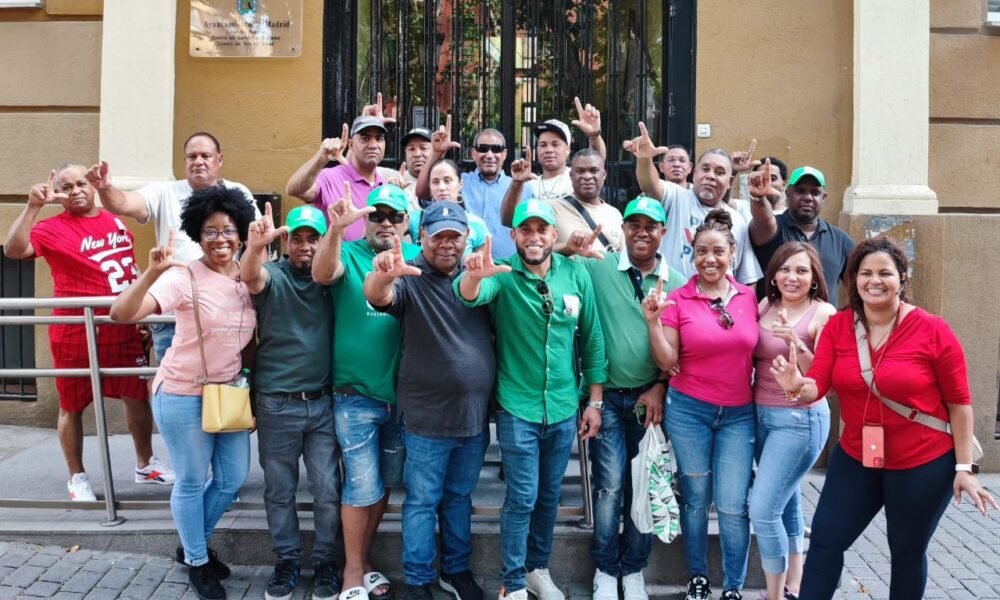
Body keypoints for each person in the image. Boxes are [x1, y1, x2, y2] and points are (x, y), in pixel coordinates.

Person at [769, 237, 997, 600]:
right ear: (854, 280)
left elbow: (959, 404)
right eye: (865, 273)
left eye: (884, 273)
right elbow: (818, 386)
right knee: (826, 541)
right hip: (858, 456)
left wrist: (963, 469)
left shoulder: (933, 330)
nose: (874, 281)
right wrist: (795, 385)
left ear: (902, 279)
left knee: (906, 553)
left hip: (922, 461)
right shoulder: (839, 326)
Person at [110, 185, 257, 600]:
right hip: (181, 393)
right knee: (192, 481)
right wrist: (152, 273)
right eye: (210, 231)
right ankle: (197, 560)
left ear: (241, 232)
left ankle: (191, 543)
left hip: (228, 395)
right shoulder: (183, 276)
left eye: (228, 230)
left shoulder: (249, 278)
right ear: (197, 233)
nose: (220, 239)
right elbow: (120, 314)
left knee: (231, 479)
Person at [455, 199, 605, 600]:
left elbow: (591, 338)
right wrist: (472, 277)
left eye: (542, 230)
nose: (534, 237)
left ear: (554, 236)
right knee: (522, 495)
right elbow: (469, 294)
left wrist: (595, 400)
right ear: (514, 235)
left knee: (550, 495)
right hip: (516, 405)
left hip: (562, 407)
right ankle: (513, 581)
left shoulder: (575, 273)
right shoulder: (503, 274)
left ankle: (538, 568)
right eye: (526, 230)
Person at [3, 165, 175, 501]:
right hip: (76, 328)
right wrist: (33, 206)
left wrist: (140, 311)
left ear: (92, 185)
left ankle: (145, 464)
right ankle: (77, 477)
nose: (76, 189)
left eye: (81, 182)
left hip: (121, 324)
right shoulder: (50, 228)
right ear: (58, 192)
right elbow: (13, 250)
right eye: (66, 186)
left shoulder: (114, 220)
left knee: (137, 394)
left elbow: (130, 268)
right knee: (72, 403)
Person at [363, 201, 495, 600]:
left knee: (459, 499)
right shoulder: (411, 276)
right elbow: (378, 296)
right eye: (438, 236)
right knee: (422, 501)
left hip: (473, 418)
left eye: (454, 236)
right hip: (425, 419)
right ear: (422, 236)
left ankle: (456, 570)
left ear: (465, 238)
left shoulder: (478, 275)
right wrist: (381, 278)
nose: (446, 245)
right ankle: (418, 578)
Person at [560, 196, 686, 600]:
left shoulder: (679, 282)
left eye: (651, 225)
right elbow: (549, 267)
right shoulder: (599, 268)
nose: (642, 232)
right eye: (634, 224)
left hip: (649, 400)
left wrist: (661, 385)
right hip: (607, 397)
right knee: (610, 486)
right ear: (624, 229)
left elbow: (684, 346)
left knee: (643, 485)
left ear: (663, 232)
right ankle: (604, 569)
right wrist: (568, 248)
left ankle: (633, 569)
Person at [643, 209, 759, 600]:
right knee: (695, 499)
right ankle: (697, 577)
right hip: (689, 411)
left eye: (718, 251)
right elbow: (665, 360)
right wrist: (653, 323)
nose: (710, 259)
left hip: (739, 415)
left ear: (733, 254)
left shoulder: (749, 298)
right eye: (701, 251)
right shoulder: (677, 299)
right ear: (691, 256)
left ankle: (734, 586)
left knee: (731, 504)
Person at [312, 184, 418, 600]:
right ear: (366, 220)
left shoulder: (417, 258)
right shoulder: (350, 253)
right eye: (377, 215)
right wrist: (337, 229)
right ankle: (351, 573)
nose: (386, 222)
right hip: (356, 394)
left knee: (383, 484)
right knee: (360, 486)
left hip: (404, 397)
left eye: (394, 215)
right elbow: (322, 274)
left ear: (407, 222)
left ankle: (366, 561)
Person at [240, 204, 343, 600]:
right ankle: (286, 562)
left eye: (312, 238)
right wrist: (255, 248)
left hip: (321, 404)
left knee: (327, 491)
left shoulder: (329, 278)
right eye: (296, 238)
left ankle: (326, 564)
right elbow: (251, 276)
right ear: (285, 241)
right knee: (279, 491)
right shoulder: (274, 276)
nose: (304, 246)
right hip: (276, 405)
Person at [89, 132, 260, 362]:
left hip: (224, 311)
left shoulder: (237, 192)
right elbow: (124, 203)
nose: (198, 161)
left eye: (205, 156)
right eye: (192, 156)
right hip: (172, 311)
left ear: (219, 160)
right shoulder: (164, 192)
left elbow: (256, 245)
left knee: (224, 378)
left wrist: (259, 293)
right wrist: (105, 189)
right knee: (175, 376)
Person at [749, 242, 836, 600]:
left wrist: (794, 344)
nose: (792, 277)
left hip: (799, 420)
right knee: (786, 502)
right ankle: (796, 587)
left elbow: (823, 377)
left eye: (801, 271)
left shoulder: (823, 313)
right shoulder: (766, 305)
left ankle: (773, 595)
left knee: (763, 508)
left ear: (815, 278)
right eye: (785, 269)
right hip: (761, 416)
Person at [626, 122, 762, 286]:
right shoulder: (676, 197)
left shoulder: (738, 221)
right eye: (705, 169)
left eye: (719, 172)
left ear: (729, 182)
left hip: (715, 308)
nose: (710, 176)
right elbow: (649, 184)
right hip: (670, 302)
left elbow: (747, 279)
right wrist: (644, 159)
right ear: (695, 172)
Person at [748, 164, 854, 307]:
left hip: (822, 326)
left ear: (824, 197)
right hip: (776, 325)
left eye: (815, 192)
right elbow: (763, 219)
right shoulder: (773, 229)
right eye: (800, 191)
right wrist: (758, 198)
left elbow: (858, 284)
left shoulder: (840, 240)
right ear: (788, 193)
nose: (808, 197)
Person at [414, 126, 521, 259]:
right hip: (466, 269)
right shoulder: (457, 181)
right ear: (473, 154)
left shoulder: (521, 186)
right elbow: (422, 192)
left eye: (496, 149)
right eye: (483, 148)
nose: (489, 155)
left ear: (504, 154)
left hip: (509, 270)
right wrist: (436, 153)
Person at [287, 115, 389, 240]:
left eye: (379, 139)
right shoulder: (331, 177)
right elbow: (294, 190)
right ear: (351, 145)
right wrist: (321, 158)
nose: (373, 145)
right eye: (365, 138)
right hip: (337, 259)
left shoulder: (384, 184)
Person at [499, 97, 608, 212]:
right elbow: (508, 220)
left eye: (555, 144)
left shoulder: (576, 177)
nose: (549, 150)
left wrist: (594, 135)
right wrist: (517, 182)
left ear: (567, 149)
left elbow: (597, 159)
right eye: (543, 144)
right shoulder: (529, 184)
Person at [543, 149, 623, 254]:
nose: (587, 177)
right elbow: (537, 249)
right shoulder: (551, 208)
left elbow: (625, 256)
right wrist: (567, 248)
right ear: (571, 176)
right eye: (580, 171)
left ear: (604, 175)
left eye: (594, 171)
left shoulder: (614, 214)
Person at [409, 158, 489, 255]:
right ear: (429, 186)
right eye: (435, 182)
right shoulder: (415, 219)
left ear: (460, 184)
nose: (442, 188)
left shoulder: (477, 224)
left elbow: (481, 265)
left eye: (447, 181)